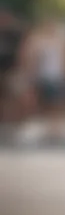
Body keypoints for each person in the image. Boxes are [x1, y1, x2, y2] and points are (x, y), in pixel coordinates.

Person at [22, 19, 65, 143]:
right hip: (43, 76)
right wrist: (31, 75)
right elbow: (31, 59)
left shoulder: (61, 42)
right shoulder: (39, 41)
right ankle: (50, 130)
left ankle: (57, 131)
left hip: (57, 77)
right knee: (46, 104)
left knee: (57, 104)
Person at [0, 9, 25, 139]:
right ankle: (4, 123)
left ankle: (14, 124)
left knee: (13, 98)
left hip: (12, 69)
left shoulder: (15, 33)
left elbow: (22, 51)